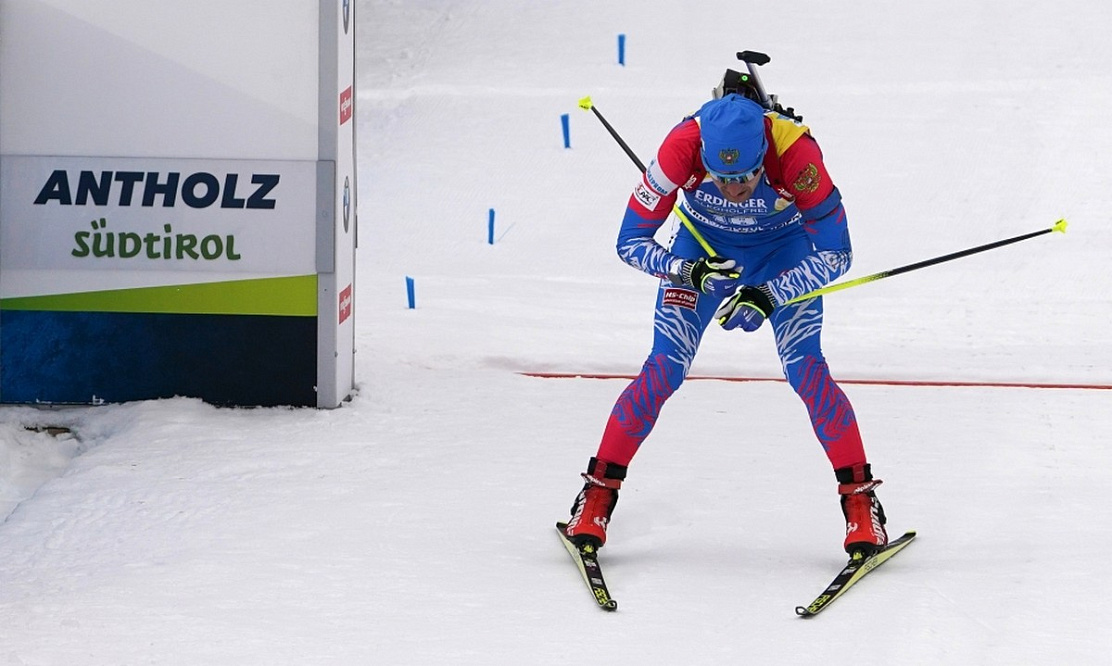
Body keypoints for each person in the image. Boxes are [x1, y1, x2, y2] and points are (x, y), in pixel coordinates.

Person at [561, 88, 889, 558]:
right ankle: (595, 496)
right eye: (722, 178)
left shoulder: (795, 153)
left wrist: (770, 294)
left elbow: (838, 254)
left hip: (785, 253)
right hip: (702, 247)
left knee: (807, 370)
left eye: (748, 177)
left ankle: (861, 504)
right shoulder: (679, 147)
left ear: (763, 156)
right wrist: (685, 270)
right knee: (663, 368)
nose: (735, 189)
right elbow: (629, 241)